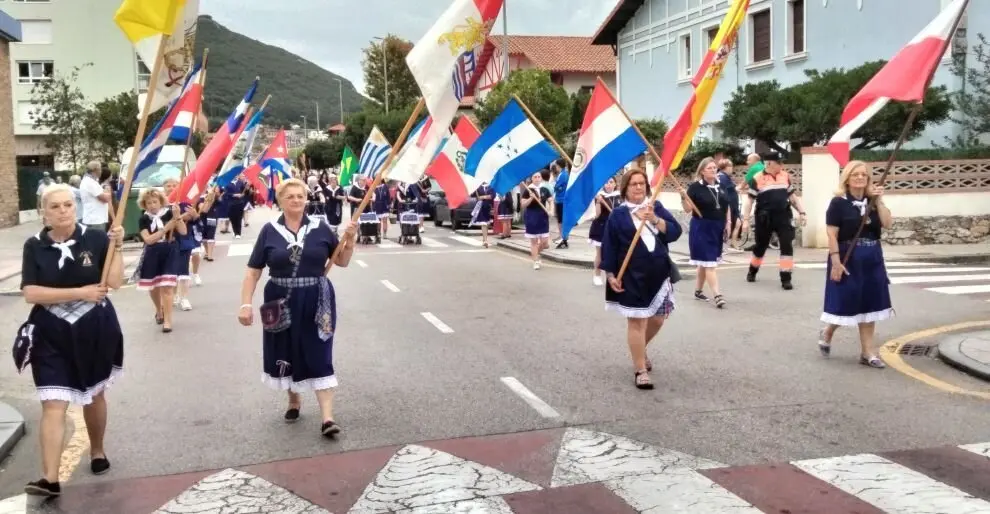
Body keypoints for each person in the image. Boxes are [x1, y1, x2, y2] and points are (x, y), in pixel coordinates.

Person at [17, 184, 125, 497]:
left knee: (94, 394)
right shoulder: (34, 245)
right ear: (44, 213)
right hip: (50, 332)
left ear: (75, 207)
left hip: (94, 328)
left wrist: (117, 247)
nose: (63, 211)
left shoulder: (96, 238)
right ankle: (49, 479)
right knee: (53, 403)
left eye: (68, 204)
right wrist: (80, 292)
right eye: (55, 206)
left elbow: (114, 282)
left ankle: (97, 450)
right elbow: (31, 293)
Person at [238, 178, 358, 438]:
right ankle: (294, 399)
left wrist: (349, 241)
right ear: (280, 201)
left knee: (319, 350)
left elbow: (342, 261)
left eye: (300, 196)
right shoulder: (269, 231)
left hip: (317, 298)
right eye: (290, 196)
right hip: (279, 298)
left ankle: (327, 418)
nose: (296, 200)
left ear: (306, 199)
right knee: (286, 349)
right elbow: (253, 271)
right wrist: (246, 304)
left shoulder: (320, 228)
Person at [601, 168, 682, 390]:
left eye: (641, 183)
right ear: (625, 188)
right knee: (636, 321)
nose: (638, 187)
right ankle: (640, 369)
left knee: (658, 319)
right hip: (631, 275)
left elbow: (675, 232)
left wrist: (655, 219)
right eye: (633, 184)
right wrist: (610, 274)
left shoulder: (656, 206)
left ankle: (639, 348)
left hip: (659, 273)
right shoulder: (618, 215)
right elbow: (609, 247)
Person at [819, 161, 893, 369]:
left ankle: (867, 353)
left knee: (870, 303)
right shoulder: (838, 203)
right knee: (847, 302)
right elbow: (831, 234)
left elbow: (888, 224)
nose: (860, 178)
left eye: (864, 175)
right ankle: (828, 331)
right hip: (847, 256)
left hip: (872, 256)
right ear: (847, 178)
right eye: (855, 174)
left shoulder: (873, 201)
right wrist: (836, 262)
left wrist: (879, 201)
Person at [740, 152, 806, 290]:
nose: (782, 165)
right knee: (761, 246)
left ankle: (786, 278)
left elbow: (792, 197)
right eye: (779, 162)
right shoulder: (757, 178)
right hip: (764, 218)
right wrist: (745, 220)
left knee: (787, 245)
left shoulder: (785, 176)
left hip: (784, 216)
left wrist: (802, 212)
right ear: (769, 163)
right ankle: (753, 270)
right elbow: (749, 201)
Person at [136, 188, 185, 332]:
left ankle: (168, 321)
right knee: (154, 286)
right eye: (149, 203)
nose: (152, 205)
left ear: (161, 202)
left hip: (170, 251)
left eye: (155, 202)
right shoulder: (143, 219)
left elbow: (183, 231)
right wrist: (165, 229)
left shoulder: (170, 213)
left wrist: (177, 217)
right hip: (152, 253)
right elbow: (148, 240)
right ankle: (159, 310)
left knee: (167, 286)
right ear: (144, 204)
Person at [685, 158, 730, 308]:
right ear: (702, 171)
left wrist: (728, 223)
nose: (713, 170)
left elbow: (726, 206)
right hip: (702, 227)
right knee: (709, 262)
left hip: (717, 227)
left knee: (705, 262)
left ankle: (698, 291)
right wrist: (683, 197)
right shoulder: (695, 188)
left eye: (714, 167)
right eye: (709, 168)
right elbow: (687, 209)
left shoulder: (721, 186)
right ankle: (717, 295)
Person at [164, 178, 200, 310]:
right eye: (168, 186)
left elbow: (192, 218)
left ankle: (184, 298)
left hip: (183, 241)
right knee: (171, 271)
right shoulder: (161, 205)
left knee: (183, 270)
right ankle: (173, 295)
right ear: (164, 188)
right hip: (166, 243)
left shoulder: (185, 203)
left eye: (174, 185)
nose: (171, 188)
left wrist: (194, 215)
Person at [589, 177, 619, 286]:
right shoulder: (599, 196)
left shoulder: (619, 196)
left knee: (615, 253)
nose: (608, 184)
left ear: (615, 184)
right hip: (601, 227)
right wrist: (598, 202)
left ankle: (613, 275)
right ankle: (597, 275)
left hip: (615, 227)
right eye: (606, 182)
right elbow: (597, 215)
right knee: (600, 253)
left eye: (611, 182)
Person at [520, 173, 552, 270]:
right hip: (532, 216)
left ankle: (535, 253)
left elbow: (551, 200)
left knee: (545, 243)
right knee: (534, 241)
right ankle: (535, 261)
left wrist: (551, 210)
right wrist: (531, 198)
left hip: (543, 217)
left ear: (541, 178)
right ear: (532, 179)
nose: (537, 179)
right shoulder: (528, 190)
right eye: (535, 177)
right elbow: (523, 204)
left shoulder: (545, 189)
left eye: (539, 177)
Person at [79, 162, 111, 231]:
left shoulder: (89, 181)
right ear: (95, 170)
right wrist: (107, 190)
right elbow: (105, 198)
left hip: (94, 218)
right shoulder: (90, 182)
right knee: (98, 238)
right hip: (95, 220)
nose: (101, 171)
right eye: (100, 169)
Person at [716, 159, 741, 243]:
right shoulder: (722, 177)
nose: (732, 168)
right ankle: (731, 243)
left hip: (732, 205)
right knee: (736, 224)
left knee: (737, 224)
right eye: (730, 166)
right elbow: (726, 190)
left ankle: (733, 243)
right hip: (730, 206)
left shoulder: (724, 176)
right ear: (726, 167)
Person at [471, 182, 495, 248]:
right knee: (483, 223)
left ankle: (484, 239)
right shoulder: (478, 187)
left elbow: (492, 196)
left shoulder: (491, 186)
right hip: (481, 207)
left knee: (487, 224)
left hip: (489, 207)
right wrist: (474, 190)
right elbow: (474, 196)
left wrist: (483, 197)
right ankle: (485, 240)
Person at [552, 161, 570, 249]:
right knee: (560, 219)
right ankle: (561, 236)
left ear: (558, 166)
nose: (555, 167)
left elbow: (558, 187)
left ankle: (563, 237)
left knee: (561, 219)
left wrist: (555, 187)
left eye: (556, 165)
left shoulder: (563, 175)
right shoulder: (562, 174)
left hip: (561, 199)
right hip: (560, 199)